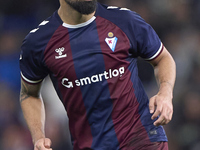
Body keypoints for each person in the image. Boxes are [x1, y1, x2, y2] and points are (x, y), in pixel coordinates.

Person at [19, 0, 176, 149]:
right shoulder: (38, 42)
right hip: (88, 145)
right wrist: (38, 137)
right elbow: (29, 94)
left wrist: (165, 92)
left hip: (141, 138)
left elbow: (163, 58)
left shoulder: (125, 21)